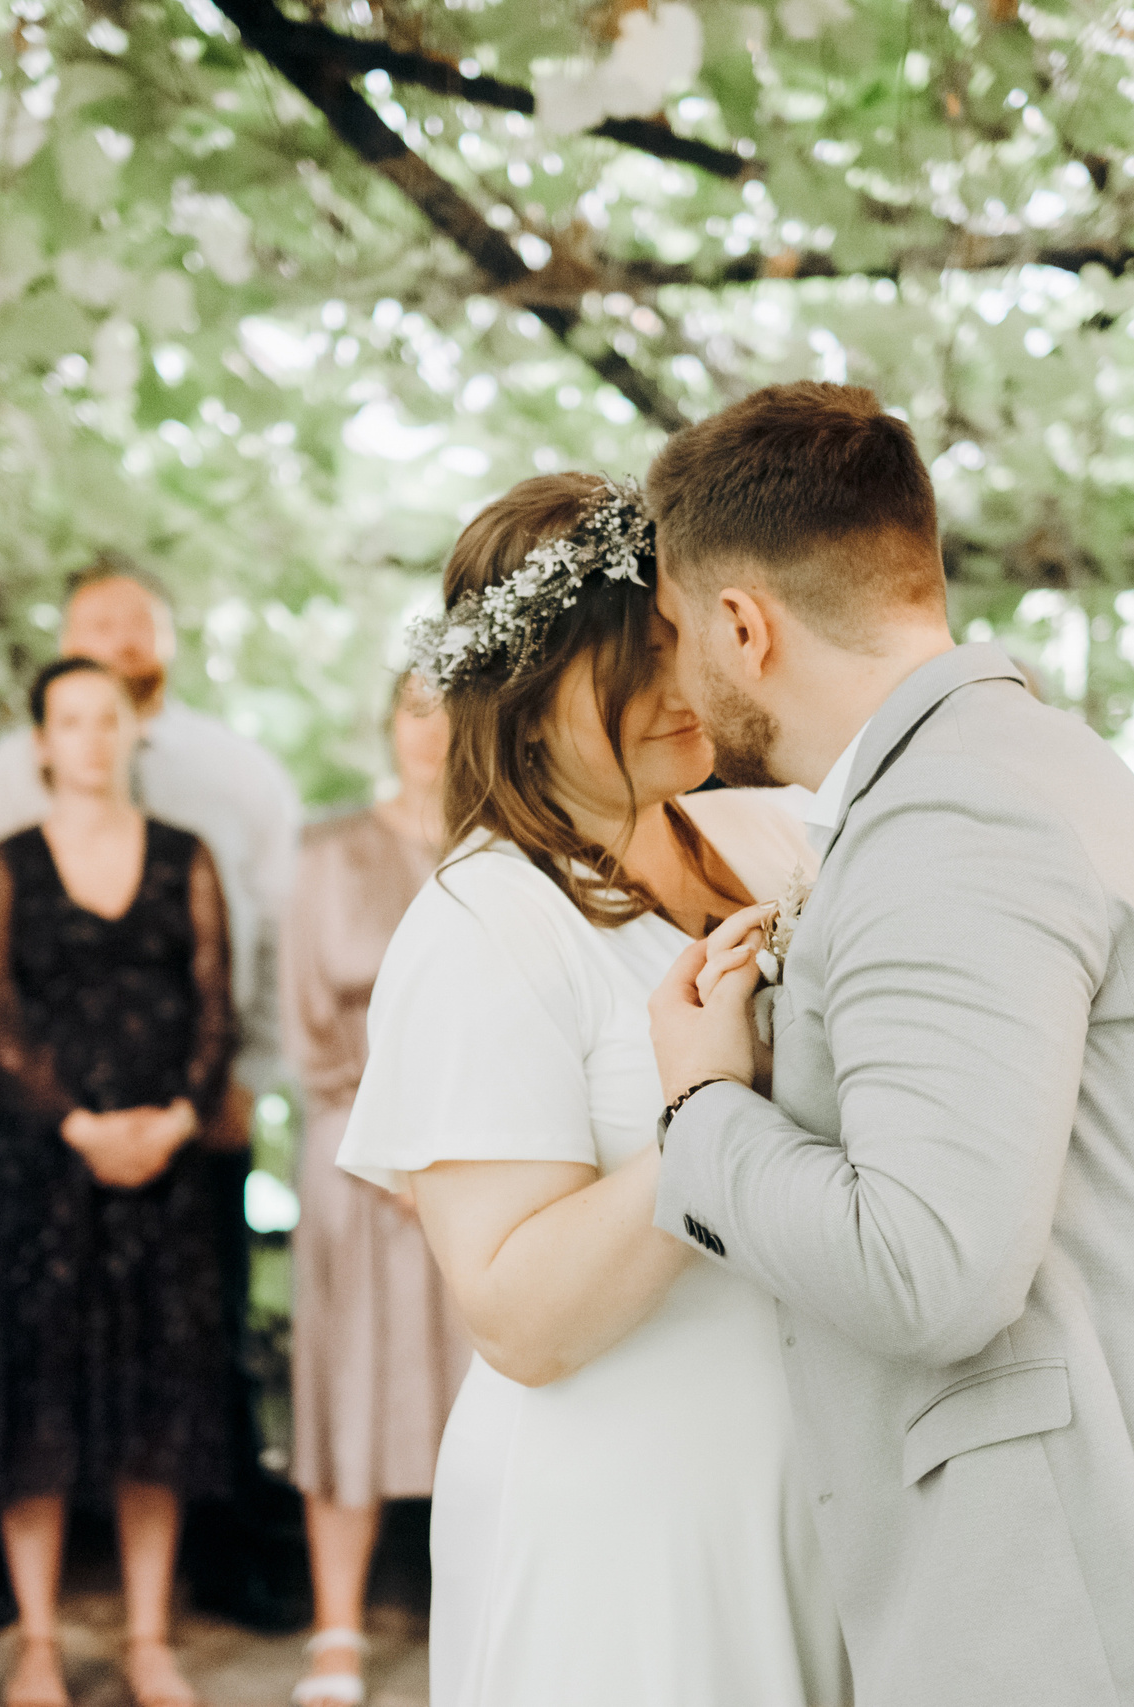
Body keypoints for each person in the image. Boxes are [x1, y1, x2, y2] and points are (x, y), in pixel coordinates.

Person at [642, 383, 1134, 1707]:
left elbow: (932, 1268)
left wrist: (703, 1107)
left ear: (743, 626)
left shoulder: (953, 820)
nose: (675, 671)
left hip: (1100, 1600)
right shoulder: (1023, 763)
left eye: (674, 628)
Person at [335, 474, 844, 1707]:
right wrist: (704, 1119)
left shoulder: (776, 839)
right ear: (523, 696)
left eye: (681, 639)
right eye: (634, 660)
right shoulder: (481, 926)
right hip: (624, 1531)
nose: (683, 687)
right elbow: (518, 1319)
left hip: (815, 1493)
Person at [0, 557, 304, 1627]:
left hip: (196, 1109)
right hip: (46, 1131)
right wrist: (58, 1115)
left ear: (162, 645)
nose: (115, 639)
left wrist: (232, 1086)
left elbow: (266, 941)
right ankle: (13, 1598)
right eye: (92, 625)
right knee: (41, 1356)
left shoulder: (235, 775)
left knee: (193, 1355)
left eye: (133, 624)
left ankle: (219, 1565)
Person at [0, 658, 237, 1707]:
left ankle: (148, 1638)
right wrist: (73, 1124)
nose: (90, 738)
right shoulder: (6, 867)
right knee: (39, 1412)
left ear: (128, 734)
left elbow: (215, 1008)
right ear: (42, 743)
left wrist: (171, 1122)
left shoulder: (185, 857)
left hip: (162, 1175)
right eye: (69, 721)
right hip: (41, 1178)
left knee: (155, 1409)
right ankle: (35, 1643)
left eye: (106, 719)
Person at [278, 672, 471, 1707]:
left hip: (483, 1159)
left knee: (483, 1386)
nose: (429, 734)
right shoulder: (327, 851)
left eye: (449, 711)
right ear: (386, 725)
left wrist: (453, 1156)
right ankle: (338, 1629)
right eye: (413, 711)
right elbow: (307, 1025)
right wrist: (392, 1158)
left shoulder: (509, 848)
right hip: (354, 1159)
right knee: (346, 1381)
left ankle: (477, 1619)